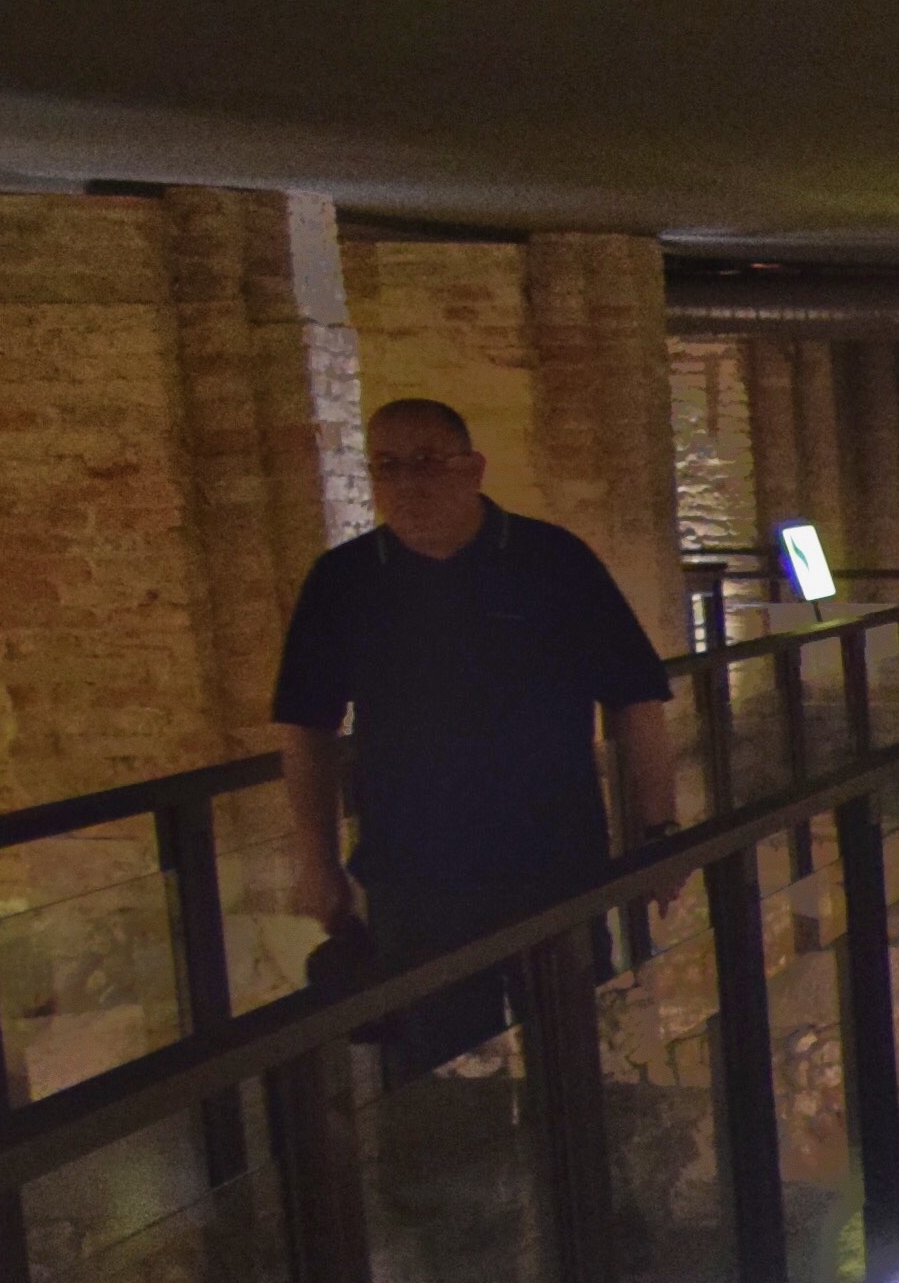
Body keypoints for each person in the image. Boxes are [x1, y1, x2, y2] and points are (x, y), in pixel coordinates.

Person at [271, 398, 686, 1064]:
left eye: (428, 463)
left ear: (473, 469)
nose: (409, 484)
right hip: (416, 880)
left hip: (553, 866)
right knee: (439, 1076)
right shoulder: (344, 581)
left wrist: (659, 830)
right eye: (388, 467)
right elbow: (305, 724)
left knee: (577, 1056)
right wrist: (315, 858)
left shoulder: (552, 561)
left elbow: (636, 698)